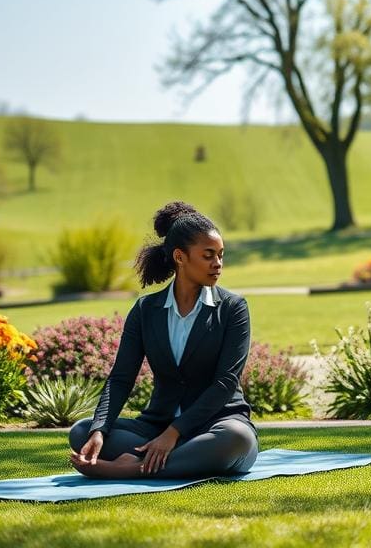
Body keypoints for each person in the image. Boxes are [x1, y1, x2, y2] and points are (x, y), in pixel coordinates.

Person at [68, 201, 258, 479]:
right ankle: (173, 459)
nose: (217, 264)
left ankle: (132, 468)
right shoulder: (146, 310)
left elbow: (226, 382)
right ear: (180, 257)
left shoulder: (233, 308)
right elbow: (121, 377)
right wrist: (100, 430)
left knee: (237, 439)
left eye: (220, 255)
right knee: (82, 431)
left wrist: (174, 433)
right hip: (156, 428)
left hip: (217, 425)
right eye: (208, 255)